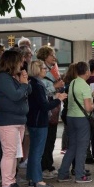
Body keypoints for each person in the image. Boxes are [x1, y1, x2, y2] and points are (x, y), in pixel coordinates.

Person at [0, 50, 32, 187]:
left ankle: (11, 181)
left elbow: (28, 90)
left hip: (17, 120)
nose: (22, 64)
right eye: (20, 61)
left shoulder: (12, 77)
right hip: (7, 121)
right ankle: (7, 184)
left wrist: (24, 81)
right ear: (12, 62)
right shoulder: (2, 78)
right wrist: (23, 85)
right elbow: (16, 96)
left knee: (14, 153)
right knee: (9, 152)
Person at [26, 60, 67, 187]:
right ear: (37, 69)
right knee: (37, 152)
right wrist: (58, 100)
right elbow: (43, 106)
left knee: (34, 151)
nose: (46, 70)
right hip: (39, 121)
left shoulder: (34, 83)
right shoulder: (37, 85)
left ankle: (32, 177)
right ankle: (37, 180)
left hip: (34, 120)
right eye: (44, 68)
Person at [57, 61, 94, 183]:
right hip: (81, 119)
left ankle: (63, 173)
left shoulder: (72, 82)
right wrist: (93, 106)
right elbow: (88, 108)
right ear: (87, 71)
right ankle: (80, 175)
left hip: (70, 117)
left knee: (72, 147)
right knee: (82, 147)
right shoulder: (84, 86)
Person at [36, 45, 64, 179]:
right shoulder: (41, 70)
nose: (54, 57)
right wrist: (54, 86)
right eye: (52, 55)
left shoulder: (53, 70)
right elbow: (40, 90)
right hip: (46, 107)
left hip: (54, 108)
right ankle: (43, 166)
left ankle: (49, 164)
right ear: (45, 56)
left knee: (51, 138)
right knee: (45, 139)